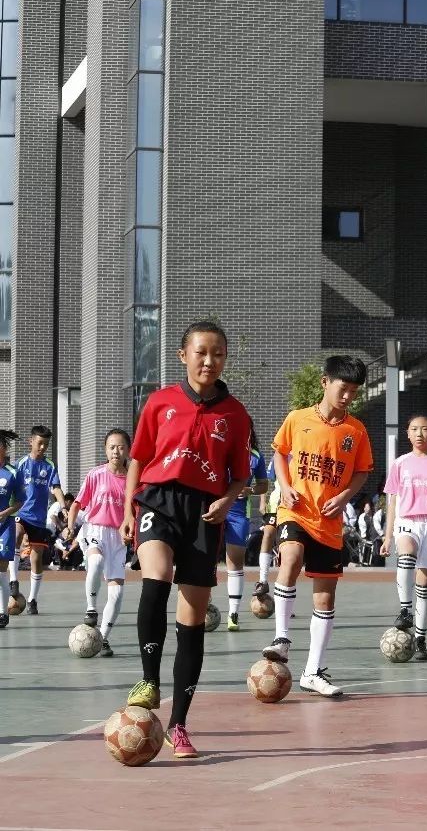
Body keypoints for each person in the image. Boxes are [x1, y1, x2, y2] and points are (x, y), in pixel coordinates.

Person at [120, 320, 252, 758]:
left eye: (218, 353)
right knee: (155, 576)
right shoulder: (160, 403)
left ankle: (179, 725)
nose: (209, 361)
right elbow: (138, 460)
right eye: (201, 352)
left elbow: (241, 477)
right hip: (158, 501)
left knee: (192, 619)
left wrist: (228, 501)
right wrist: (127, 511)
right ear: (183, 355)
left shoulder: (235, 414)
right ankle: (148, 680)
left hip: (204, 513)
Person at [263, 355, 374, 698]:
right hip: (295, 511)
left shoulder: (355, 430)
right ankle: (282, 638)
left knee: (325, 597)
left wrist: (343, 498)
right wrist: (285, 485)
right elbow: (280, 453)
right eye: (343, 388)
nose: (348, 396)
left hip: (329, 521)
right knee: (291, 558)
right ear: (325, 382)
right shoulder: (297, 419)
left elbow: (363, 471)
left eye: (354, 391)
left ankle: (313, 672)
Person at [381, 415, 427, 660]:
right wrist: (388, 536)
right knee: (406, 555)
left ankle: (421, 639)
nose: (419, 433)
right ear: (407, 433)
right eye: (414, 429)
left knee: (425, 586)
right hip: (407, 522)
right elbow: (392, 501)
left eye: (425, 429)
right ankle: (405, 611)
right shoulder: (400, 463)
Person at [62, 429, 130, 653]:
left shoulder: (133, 480)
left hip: (118, 538)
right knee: (96, 561)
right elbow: (77, 504)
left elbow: (137, 513)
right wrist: (71, 527)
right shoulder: (95, 474)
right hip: (95, 530)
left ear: (128, 450)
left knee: (117, 593)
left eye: (120, 447)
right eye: (111, 447)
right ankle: (91, 609)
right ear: (105, 449)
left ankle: (103, 638)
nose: (116, 451)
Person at [13, 425, 67, 615]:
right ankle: (13, 581)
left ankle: (32, 600)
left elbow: (56, 488)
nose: (43, 447)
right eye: (40, 443)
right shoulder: (20, 464)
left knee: (37, 558)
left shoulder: (49, 466)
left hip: (38, 518)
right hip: (21, 512)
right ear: (31, 441)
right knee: (17, 533)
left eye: (46, 444)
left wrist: (63, 506)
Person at [223, 429, 270, 631]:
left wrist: (249, 490)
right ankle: (203, 605)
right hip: (213, 507)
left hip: (238, 514)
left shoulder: (256, 457)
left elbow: (263, 485)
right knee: (203, 558)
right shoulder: (220, 448)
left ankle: (233, 613)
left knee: (235, 561)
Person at [253, 458, 281, 604]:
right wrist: (263, 501)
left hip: (297, 506)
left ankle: (283, 594)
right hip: (277, 503)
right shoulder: (278, 455)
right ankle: (263, 581)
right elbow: (266, 480)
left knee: (287, 548)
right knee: (268, 534)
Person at [0, 430, 19, 628]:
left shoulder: (13, 473)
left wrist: (6, 513)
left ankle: (2, 613)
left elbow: (20, 501)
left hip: (5, 526)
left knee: (0, 572)